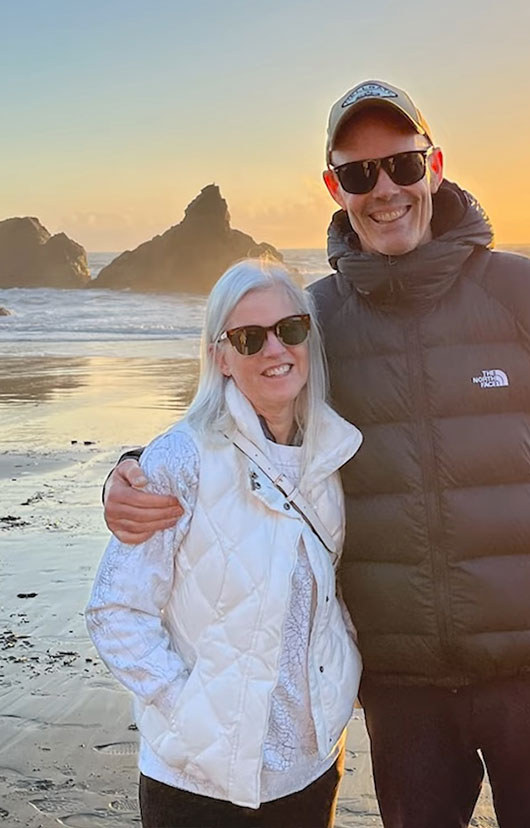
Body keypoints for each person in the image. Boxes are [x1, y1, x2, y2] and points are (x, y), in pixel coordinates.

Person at [103, 81, 530, 828]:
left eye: (402, 166)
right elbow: (238, 415)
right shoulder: (314, 322)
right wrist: (129, 471)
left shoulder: (522, 293)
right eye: (359, 173)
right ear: (335, 187)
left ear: (435, 166)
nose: (384, 189)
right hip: (402, 684)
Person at [87, 259, 362, 828]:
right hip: (199, 779)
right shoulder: (181, 458)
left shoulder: (332, 458)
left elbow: (331, 592)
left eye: (289, 330)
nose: (274, 349)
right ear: (221, 356)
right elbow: (115, 609)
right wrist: (192, 713)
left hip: (308, 768)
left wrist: (341, 683)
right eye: (248, 338)